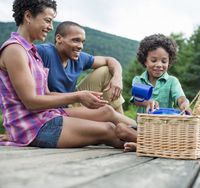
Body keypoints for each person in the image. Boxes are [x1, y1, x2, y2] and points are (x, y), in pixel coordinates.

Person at [0, 0, 136, 150]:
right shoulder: (14, 50)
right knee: (110, 130)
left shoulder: (32, 53)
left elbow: (46, 93)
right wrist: (77, 96)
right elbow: (31, 102)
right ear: (28, 16)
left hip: (47, 115)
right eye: (47, 20)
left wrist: (81, 95)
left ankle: (152, 133)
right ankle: (152, 142)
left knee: (107, 111)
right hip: (34, 128)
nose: (50, 27)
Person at [36, 21, 124, 113]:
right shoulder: (44, 52)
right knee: (107, 112)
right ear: (59, 38)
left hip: (71, 103)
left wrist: (117, 78)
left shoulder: (79, 57)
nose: (80, 46)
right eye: (76, 40)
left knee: (106, 71)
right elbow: (40, 96)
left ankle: (123, 123)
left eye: (82, 42)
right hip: (52, 108)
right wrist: (78, 96)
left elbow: (110, 60)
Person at [131, 34, 190, 113]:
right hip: (142, 123)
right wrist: (148, 103)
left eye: (164, 61)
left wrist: (183, 103)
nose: (159, 65)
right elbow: (136, 99)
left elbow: (180, 97)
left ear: (169, 62)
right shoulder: (139, 80)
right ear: (145, 61)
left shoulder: (172, 81)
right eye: (154, 60)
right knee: (121, 125)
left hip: (164, 124)